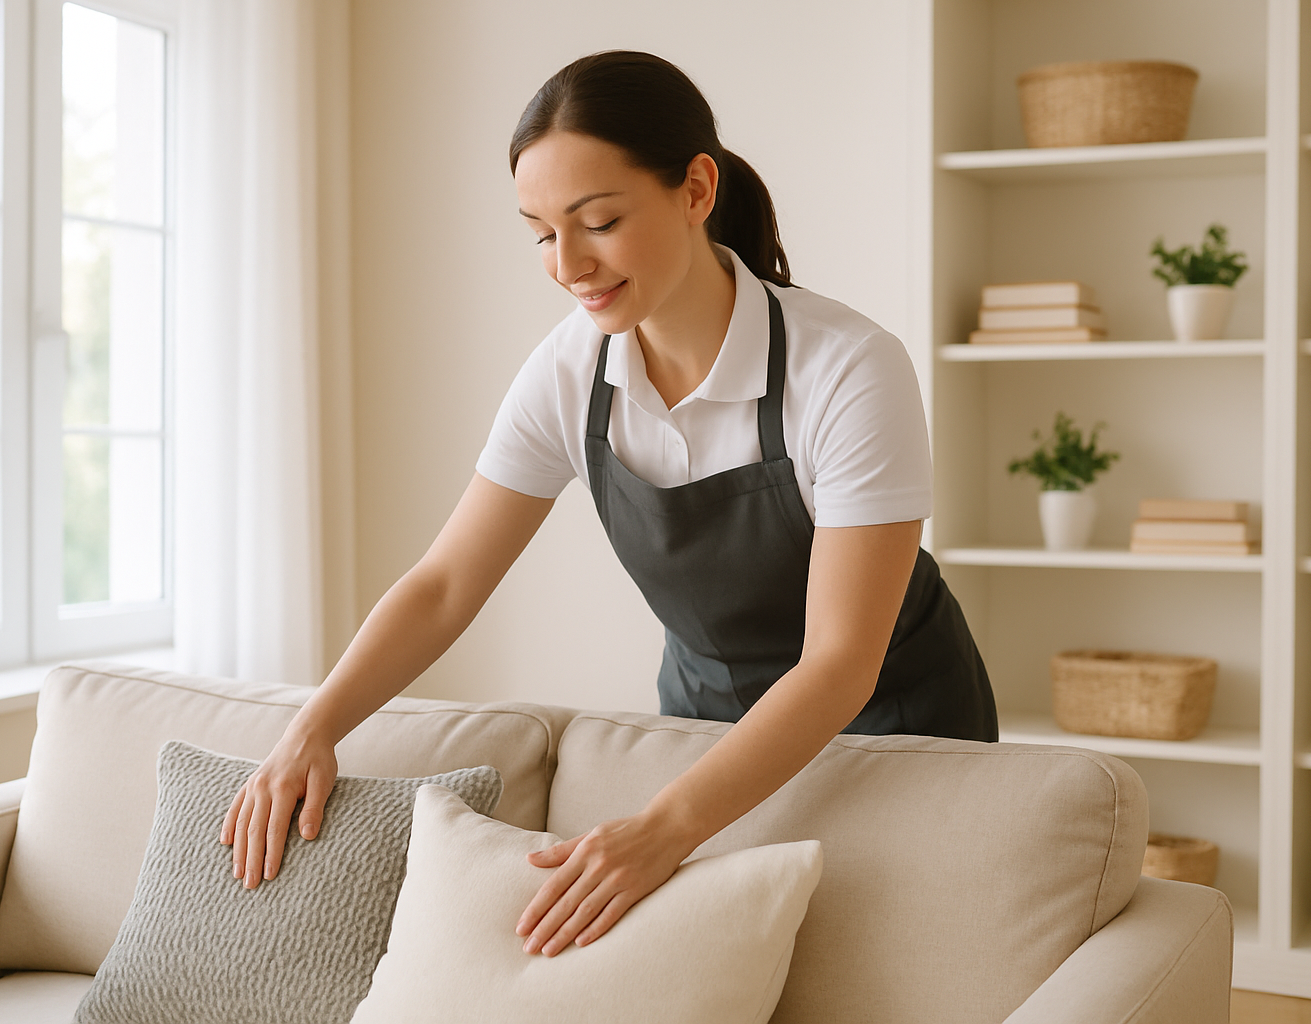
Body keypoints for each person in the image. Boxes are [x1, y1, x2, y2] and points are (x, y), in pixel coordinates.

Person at [221, 49, 996, 961]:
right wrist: (313, 729)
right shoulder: (569, 369)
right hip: (700, 728)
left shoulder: (848, 371)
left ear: (697, 188)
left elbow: (838, 663)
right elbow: (446, 583)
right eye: (542, 233)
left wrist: (664, 828)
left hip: (896, 731)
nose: (567, 265)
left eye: (599, 221)